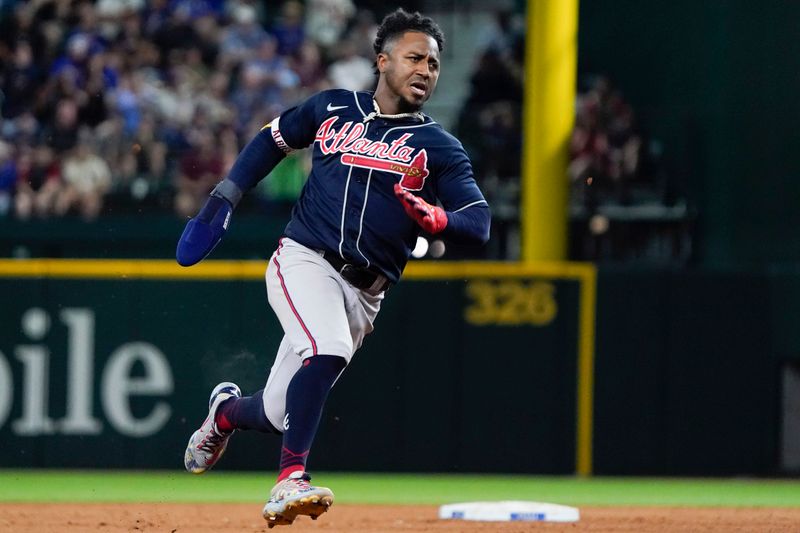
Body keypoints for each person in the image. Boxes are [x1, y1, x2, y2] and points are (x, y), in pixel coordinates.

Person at [178, 8, 490, 528]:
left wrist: (438, 219)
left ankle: (225, 414)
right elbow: (272, 140)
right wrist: (223, 199)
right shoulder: (333, 108)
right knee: (327, 349)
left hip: (365, 293)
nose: (426, 71)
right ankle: (289, 481)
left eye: (434, 65)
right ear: (382, 61)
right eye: (414, 58)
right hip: (304, 260)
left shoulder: (439, 147)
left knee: (281, 413)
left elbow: (478, 224)